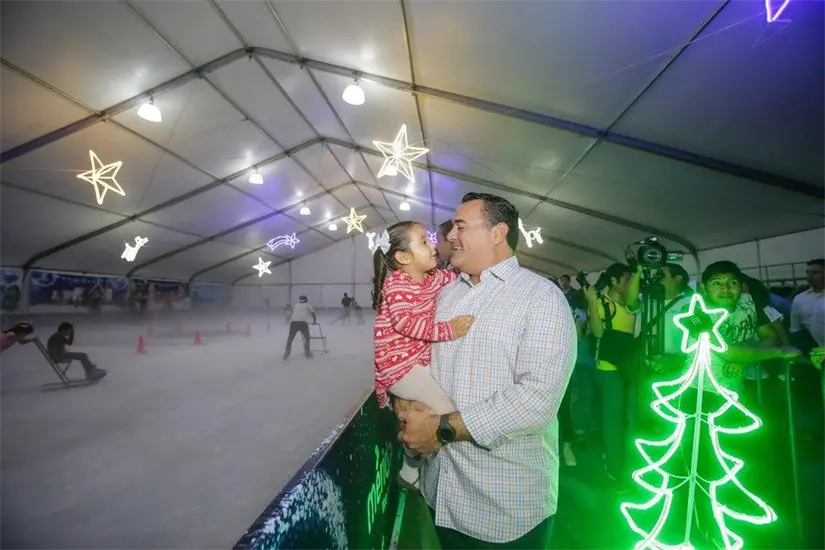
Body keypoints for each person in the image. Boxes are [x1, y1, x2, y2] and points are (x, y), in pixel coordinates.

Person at [395, 192, 576, 549]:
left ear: (498, 232)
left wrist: (441, 428)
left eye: (460, 226)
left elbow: (536, 401)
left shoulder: (540, 297)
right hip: (441, 493)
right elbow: (423, 360)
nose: (448, 236)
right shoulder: (447, 295)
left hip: (502, 506)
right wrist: (408, 404)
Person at [372, 221, 473, 487]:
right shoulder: (397, 285)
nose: (433, 247)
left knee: (430, 410)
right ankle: (418, 465)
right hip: (399, 368)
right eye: (424, 242)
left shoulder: (432, 278)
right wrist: (448, 330)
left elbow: (454, 278)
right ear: (404, 257)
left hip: (416, 363)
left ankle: (411, 466)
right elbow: (405, 323)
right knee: (443, 413)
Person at [583, 262, 641, 488]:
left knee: (629, 416)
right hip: (608, 367)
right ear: (615, 282)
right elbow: (597, 332)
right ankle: (614, 463)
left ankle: (629, 460)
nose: (630, 284)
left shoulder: (633, 303)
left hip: (630, 365)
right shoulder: (601, 303)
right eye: (627, 280)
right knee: (614, 416)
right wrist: (590, 303)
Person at [790, 258, 825, 349]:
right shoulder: (799, 299)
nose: (809, 276)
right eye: (807, 272)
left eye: (815, 273)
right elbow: (795, 328)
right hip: (812, 351)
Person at [284, 296, 315, 360]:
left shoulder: (295, 305)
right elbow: (313, 314)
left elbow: (293, 313)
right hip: (303, 323)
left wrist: (288, 320)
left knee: (290, 338)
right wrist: (314, 321)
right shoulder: (308, 305)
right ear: (306, 300)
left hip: (294, 323)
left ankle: (286, 353)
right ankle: (307, 353)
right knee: (307, 338)